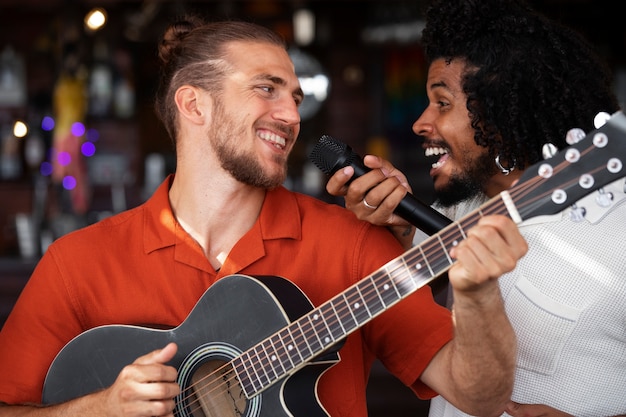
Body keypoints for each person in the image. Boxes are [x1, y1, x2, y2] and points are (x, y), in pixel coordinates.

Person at [0, 16, 528, 417]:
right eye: (266, 89)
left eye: (296, 97)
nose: (293, 115)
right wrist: (96, 407)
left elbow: (479, 395)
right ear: (193, 104)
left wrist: (480, 294)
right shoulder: (78, 262)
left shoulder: (353, 245)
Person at [325, 0, 626, 416]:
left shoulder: (619, 227)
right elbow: (419, 318)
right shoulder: (462, 208)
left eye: (442, 103)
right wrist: (399, 236)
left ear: (499, 109)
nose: (420, 123)